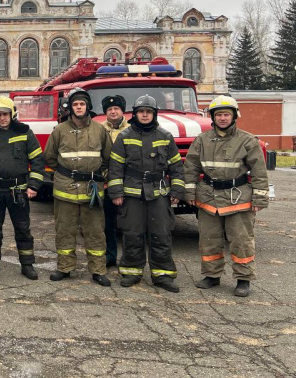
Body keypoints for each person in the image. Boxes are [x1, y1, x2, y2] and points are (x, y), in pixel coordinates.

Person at [184, 95, 268, 297]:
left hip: (237, 198)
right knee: (209, 240)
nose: (222, 118)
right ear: (213, 117)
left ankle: (243, 279)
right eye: (219, 114)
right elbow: (191, 167)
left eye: (226, 114)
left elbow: (259, 172)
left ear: (234, 116)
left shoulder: (247, 140)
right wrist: (189, 192)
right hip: (208, 198)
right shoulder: (202, 140)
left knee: (241, 241)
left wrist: (260, 198)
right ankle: (211, 276)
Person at [107, 95, 185, 292]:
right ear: (135, 114)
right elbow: (115, 168)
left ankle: (163, 276)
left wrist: (176, 190)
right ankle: (131, 273)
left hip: (158, 193)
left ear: (154, 114)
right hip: (132, 194)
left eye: (148, 112)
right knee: (132, 234)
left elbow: (176, 167)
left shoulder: (165, 136)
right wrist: (116, 192)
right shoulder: (125, 137)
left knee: (161, 234)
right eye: (141, 111)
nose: (144, 115)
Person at [44, 88, 112, 286]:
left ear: (87, 106)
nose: (79, 107)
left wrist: (99, 176)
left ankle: (98, 270)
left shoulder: (100, 130)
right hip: (66, 190)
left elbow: (108, 158)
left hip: (92, 191)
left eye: (82, 104)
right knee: (64, 230)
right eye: (75, 104)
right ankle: (65, 267)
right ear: (70, 108)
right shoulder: (60, 131)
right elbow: (49, 156)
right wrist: (68, 173)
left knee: (95, 232)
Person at [0, 96, 44, 280]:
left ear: (12, 114)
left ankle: (27, 264)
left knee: (22, 228)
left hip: (18, 191)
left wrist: (34, 185)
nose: (2, 118)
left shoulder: (25, 133)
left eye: (5, 114)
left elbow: (37, 160)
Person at [101, 94, 129, 268]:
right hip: (106, 182)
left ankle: (128, 259)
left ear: (122, 111)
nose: (113, 111)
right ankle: (110, 256)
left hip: (128, 183)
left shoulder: (132, 129)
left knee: (129, 224)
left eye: (116, 108)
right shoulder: (99, 129)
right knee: (108, 223)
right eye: (109, 109)